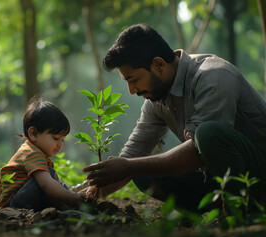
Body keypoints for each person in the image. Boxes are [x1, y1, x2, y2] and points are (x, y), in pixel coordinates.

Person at [83, 23, 266, 212]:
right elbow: (132, 154)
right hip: (218, 179)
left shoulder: (214, 76)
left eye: (134, 80)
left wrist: (129, 166)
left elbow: (197, 152)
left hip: (258, 172)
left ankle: (247, 209)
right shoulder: (156, 99)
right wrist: (81, 196)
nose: (132, 91)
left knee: (206, 134)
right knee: (139, 169)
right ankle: (220, 208)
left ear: (159, 65)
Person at [0, 97, 91, 210]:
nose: (60, 144)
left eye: (62, 139)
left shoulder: (32, 150)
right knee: (48, 177)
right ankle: (67, 204)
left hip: (20, 198)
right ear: (33, 134)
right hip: (14, 204)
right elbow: (46, 184)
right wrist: (72, 197)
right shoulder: (32, 153)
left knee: (53, 180)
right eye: (55, 138)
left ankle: (68, 203)